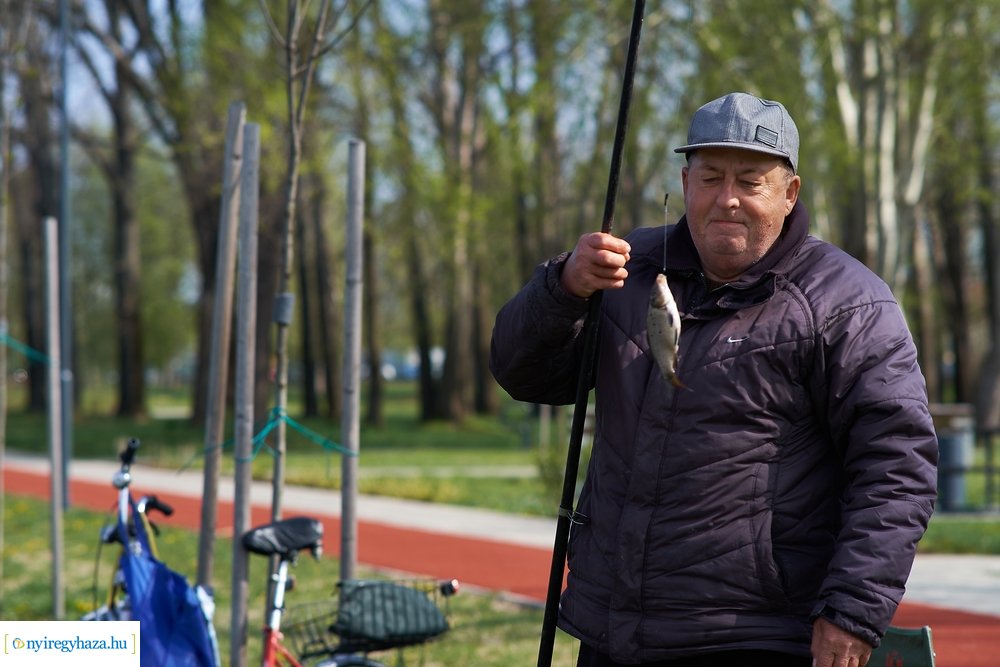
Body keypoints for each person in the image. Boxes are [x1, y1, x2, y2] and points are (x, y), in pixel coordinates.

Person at [489, 92, 938, 667]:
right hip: (612, 629)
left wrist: (853, 609)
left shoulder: (847, 303)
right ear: (685, 181)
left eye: (750, 181)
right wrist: (562, 289)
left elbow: (897, 466)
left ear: (789, 193)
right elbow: (523, 374)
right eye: (710, 177)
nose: (727, 199)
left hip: (755, 635)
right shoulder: (625, 269)